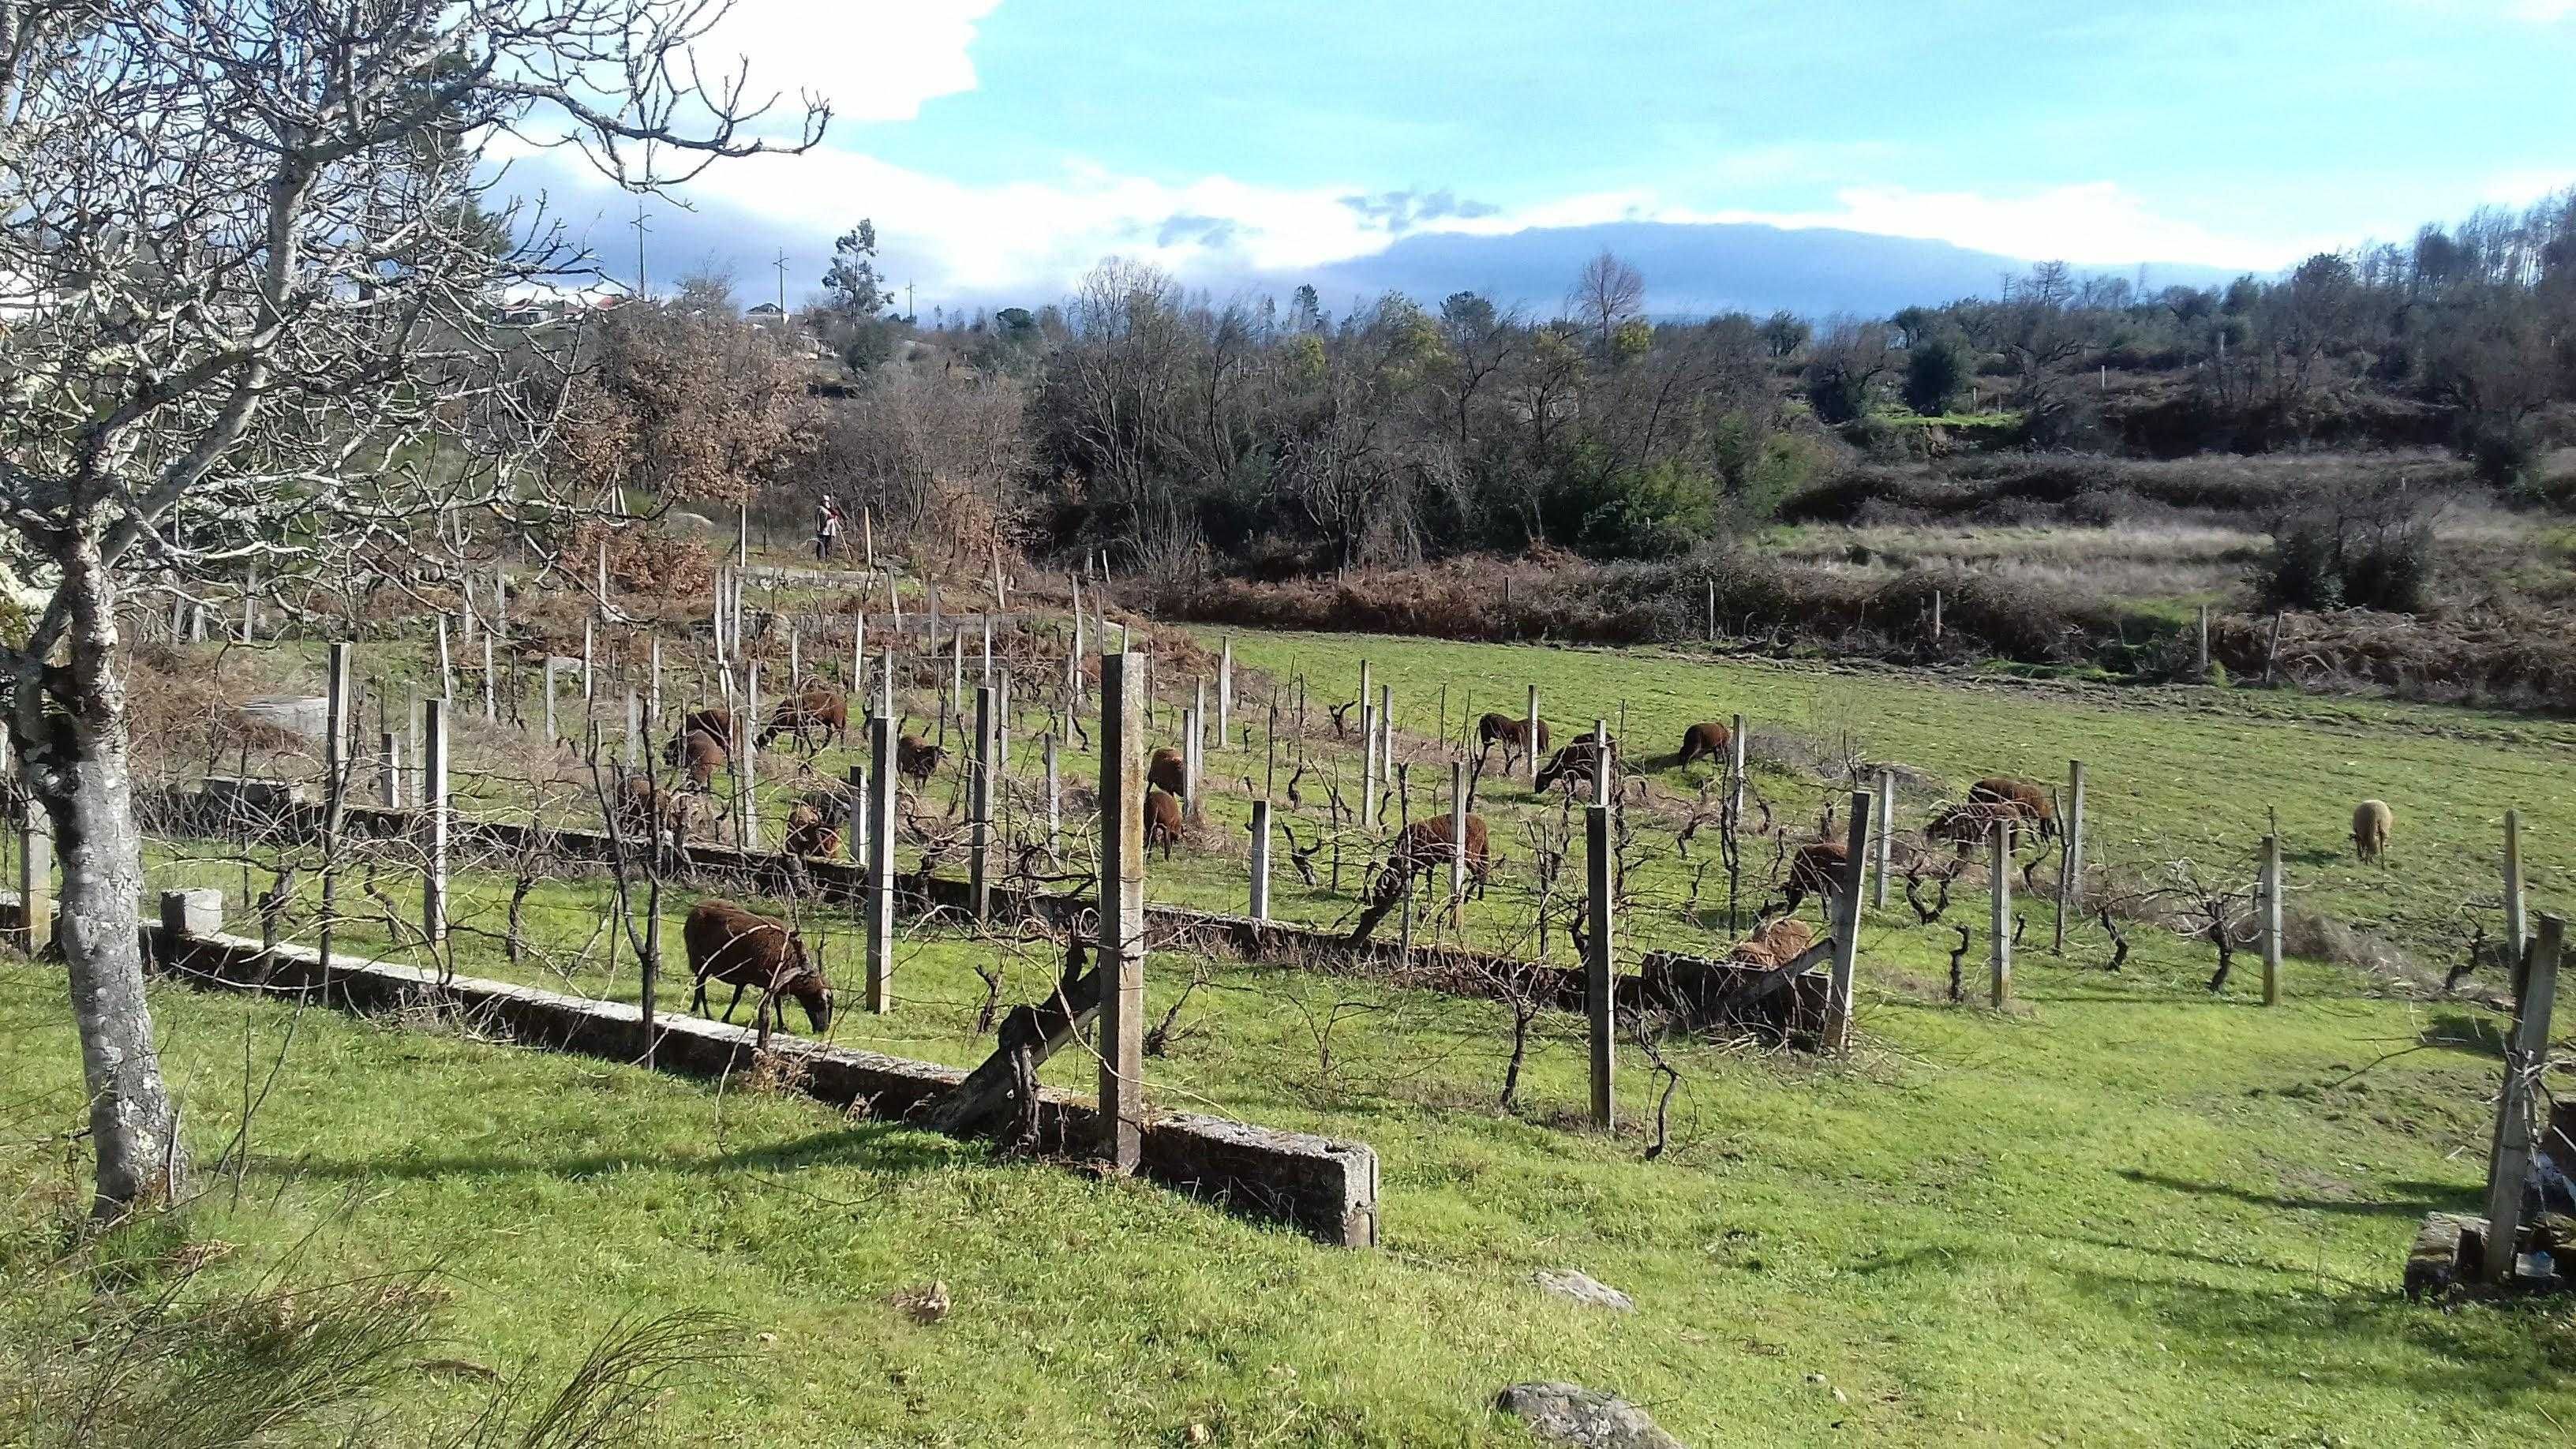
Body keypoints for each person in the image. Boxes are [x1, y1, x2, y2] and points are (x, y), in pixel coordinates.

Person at [815, 496, 842, 563]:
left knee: (829, 544)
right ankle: (821, 559)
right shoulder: (820, 508)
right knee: (822, 543)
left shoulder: (830, 508)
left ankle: (829, 558)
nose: (826, 502)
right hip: (823, 529)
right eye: (825, 501)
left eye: (827, 501)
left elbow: (837, 514)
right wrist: (831, 516)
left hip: (830, 530)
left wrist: (831, 509)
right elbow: (822, 518)